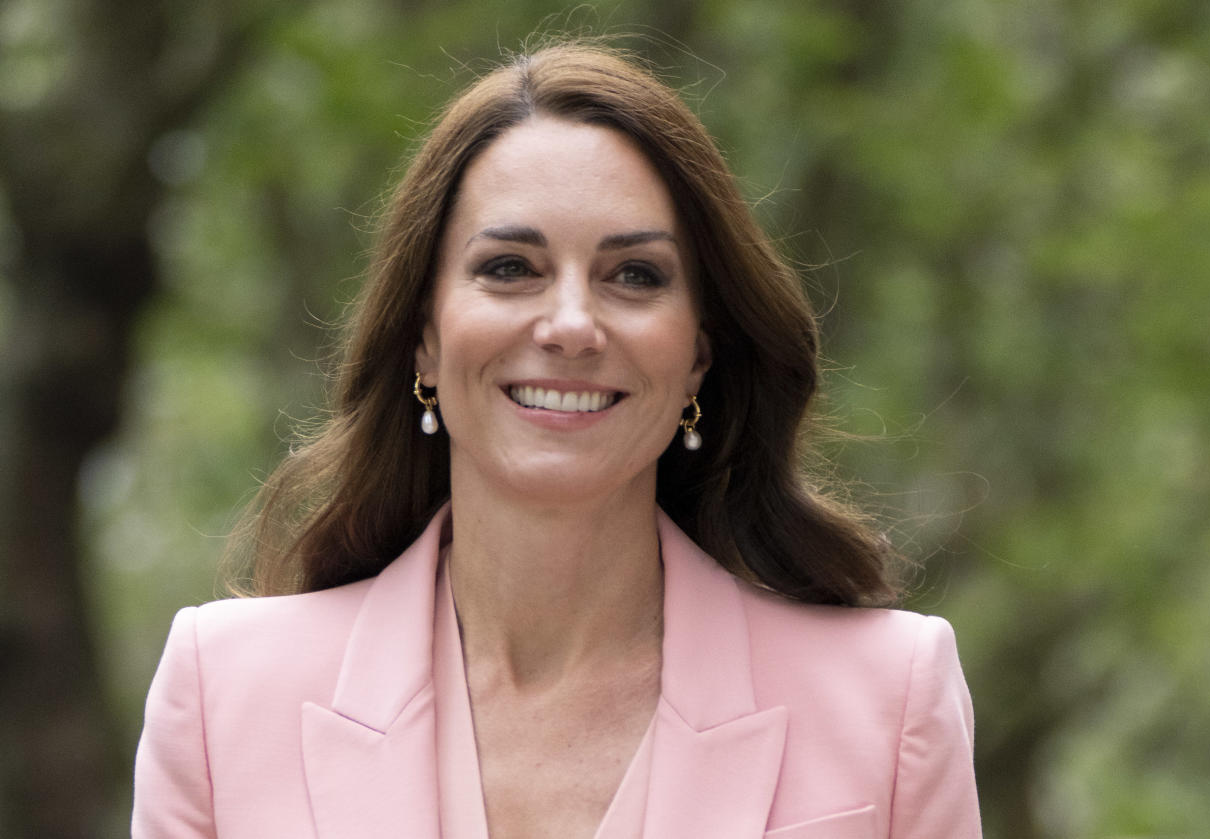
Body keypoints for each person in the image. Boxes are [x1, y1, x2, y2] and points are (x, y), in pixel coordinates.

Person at [133, 41, 982, 838]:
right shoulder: (221, 694)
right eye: (510, 268)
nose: (571, 324)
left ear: (697, 357)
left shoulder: (889, 697)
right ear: (424, 334)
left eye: (634, 275)